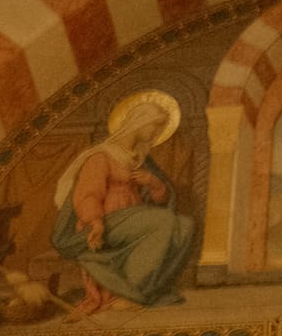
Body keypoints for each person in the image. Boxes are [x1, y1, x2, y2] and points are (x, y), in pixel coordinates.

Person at [49, 91, 199, 313]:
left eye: (160, 129)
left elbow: (160, 200)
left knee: (186, 226)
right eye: (155, 127)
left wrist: (154, 183)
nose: (156, 134)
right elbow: (88, 194)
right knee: (164, 220)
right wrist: (95, 222)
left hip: (135, 217)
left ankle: (148, 288)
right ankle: (130, 291)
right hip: (107, 219)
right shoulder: (101, 156)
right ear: (140, 123)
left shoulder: (140, 159)